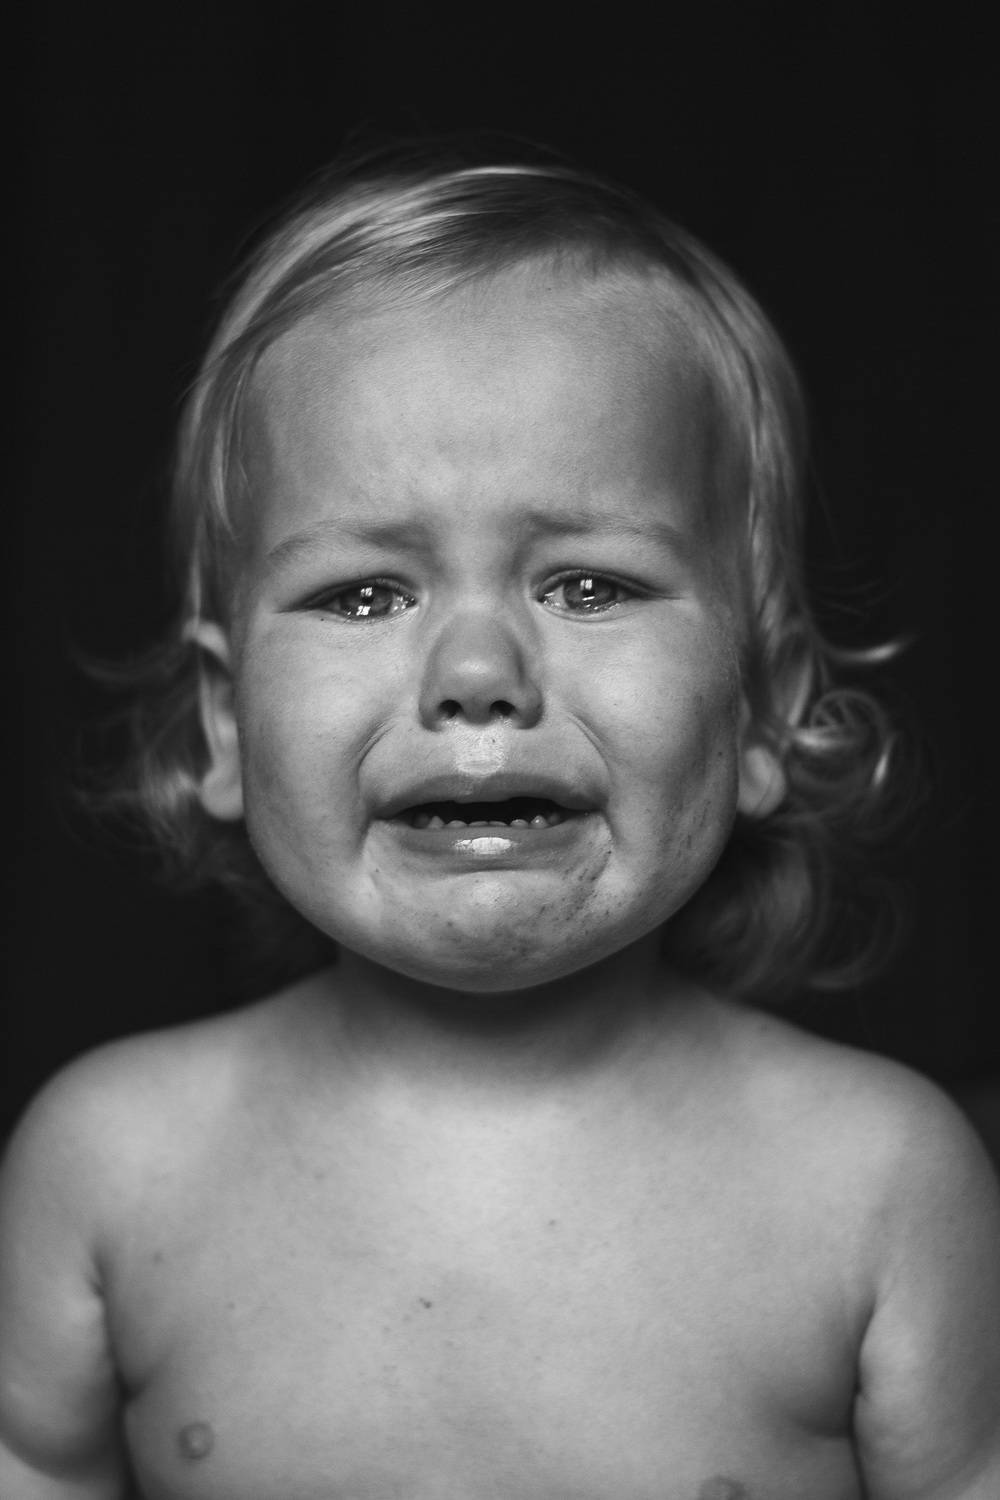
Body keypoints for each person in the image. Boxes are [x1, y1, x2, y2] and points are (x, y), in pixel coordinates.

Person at [2, 142, 998, 1500]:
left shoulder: (878, 1187)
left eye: (589, 585)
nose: (477, 674)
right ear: (229, 725)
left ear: (760, 707)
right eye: (364, 594)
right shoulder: (110, 1175)